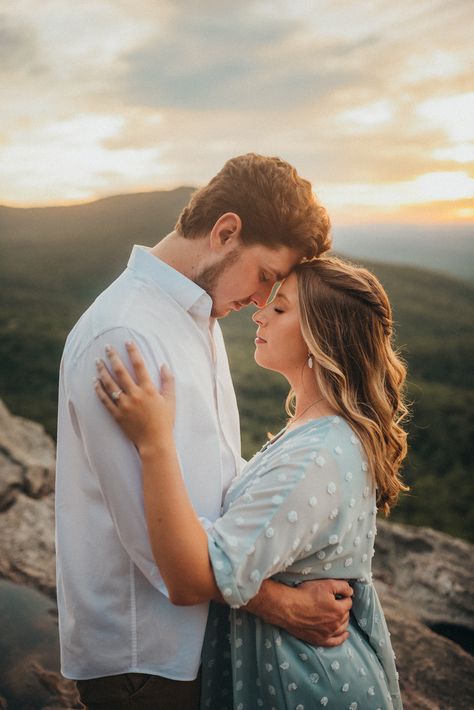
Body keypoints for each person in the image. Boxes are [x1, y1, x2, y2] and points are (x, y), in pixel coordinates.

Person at [55, 153, 354, 710]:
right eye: (265, 276)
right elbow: (156, 549)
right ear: (225, 231)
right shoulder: (125, 336)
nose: (262, 300)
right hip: (144, 655)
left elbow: (216, 474)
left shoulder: (199, 316)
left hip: (195, 639)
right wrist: (285, 605)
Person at [95, 255, 408, 709]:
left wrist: (154, 440)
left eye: (280, 309)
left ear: (324, 337)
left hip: (305, 686)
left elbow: (189, 580)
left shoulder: (315, 454)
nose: (260, 312)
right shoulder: (314, 429)